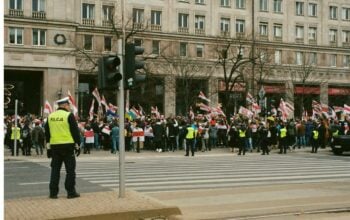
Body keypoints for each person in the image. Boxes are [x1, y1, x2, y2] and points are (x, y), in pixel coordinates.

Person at [44, 97, 81, 199]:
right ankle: (70, 192)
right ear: (65, 105)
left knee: (55, 170)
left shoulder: (50, 116)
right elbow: (75, 132)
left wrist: (48, 148)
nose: (69, 107)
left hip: (55, 147)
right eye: (68, 105)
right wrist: (78, 146)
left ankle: (53, 193)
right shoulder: (69, 115)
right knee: (70, 171)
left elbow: (47, 134)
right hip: (68, 146)